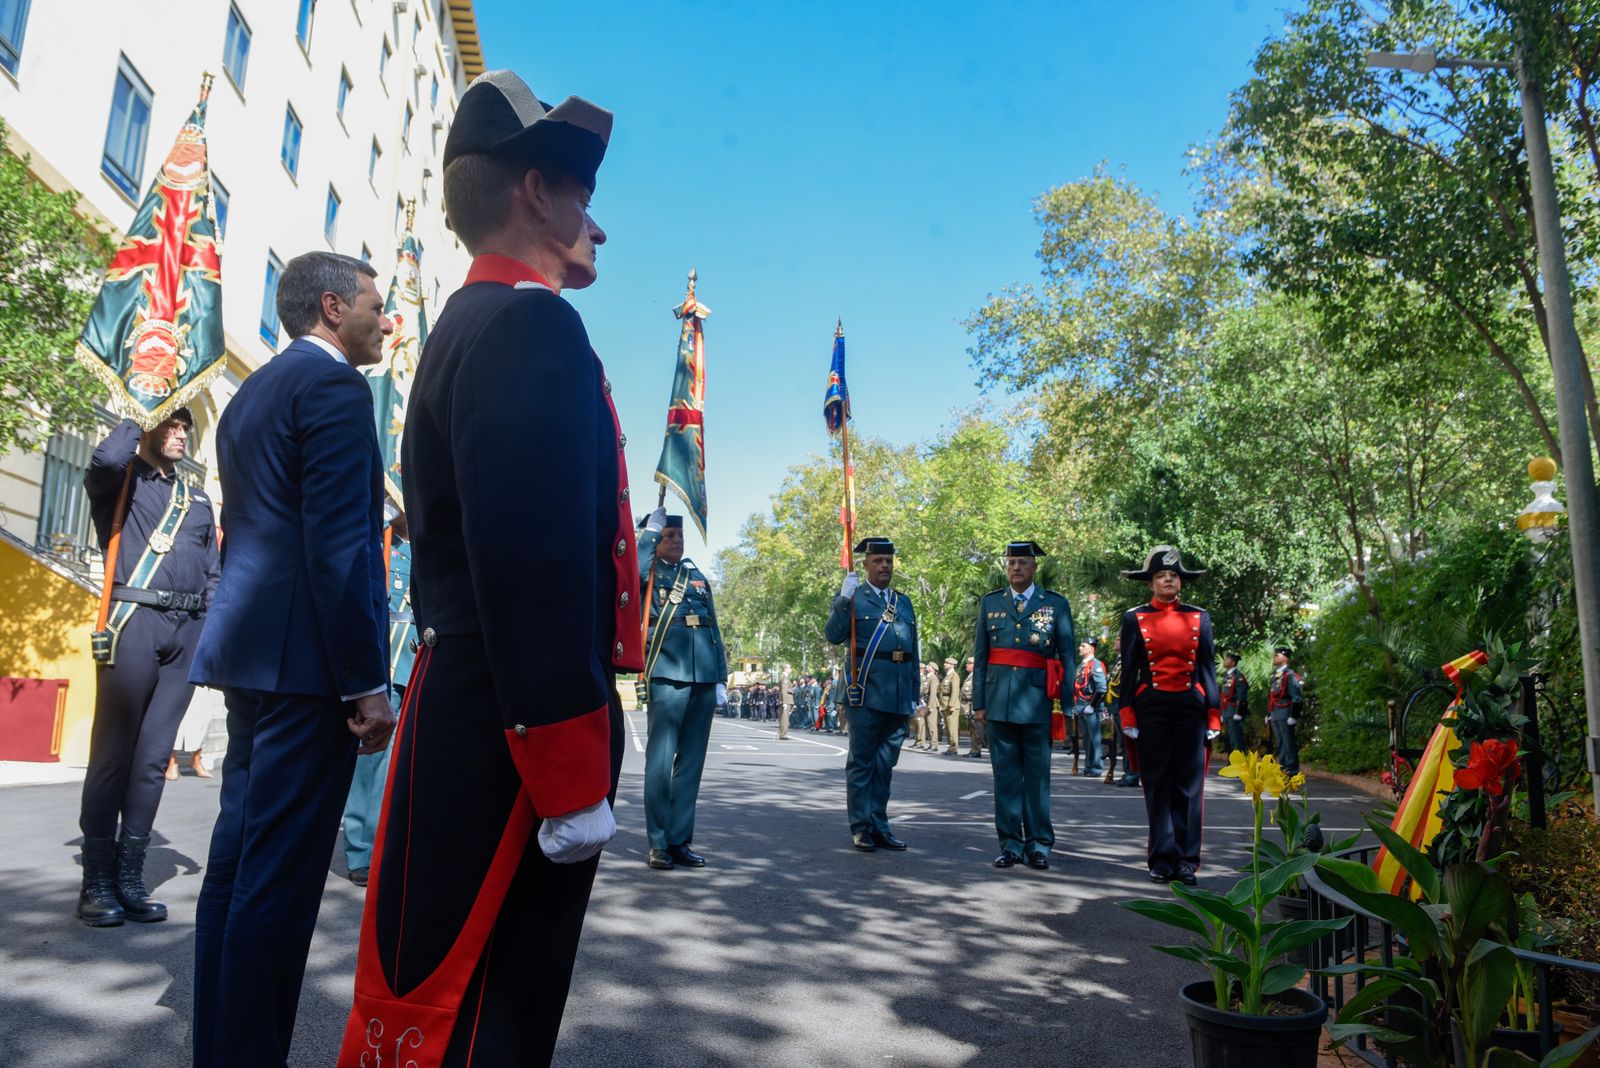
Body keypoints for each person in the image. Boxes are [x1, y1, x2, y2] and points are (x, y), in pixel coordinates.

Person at [335, 72, 640, 1068]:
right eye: (582, 196)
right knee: (492, 1006)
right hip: (513, 725)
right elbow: (537, 563)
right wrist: (566, 771)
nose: (598, 226)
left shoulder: (473, 324)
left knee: (444, 988)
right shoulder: (529, 326)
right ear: (538, 193)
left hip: (471, 700)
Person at [188, 251, 395, 1066]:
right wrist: (365, 682)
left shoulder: (253, 394)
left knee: (236, 868)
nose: (388, 320)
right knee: (275, 884)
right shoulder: (338, 389)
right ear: (333, 307)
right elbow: (341, 547)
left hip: (252, 658)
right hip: (310, 671)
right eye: (377, 306)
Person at [77, 409, 219, 928]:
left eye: (185, 425)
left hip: (184, 633)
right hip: (133, 620)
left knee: (154, 757)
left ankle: (129, 875)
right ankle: (96, 880)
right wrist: (145, 407)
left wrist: (206, 637)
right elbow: (106, 455)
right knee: (114, 752)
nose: (180, 432)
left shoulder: (197, 497)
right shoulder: (121, 481)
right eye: (171, 423)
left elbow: (213, 573)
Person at [1116, 545, 1220, 886]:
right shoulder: (1134, 618)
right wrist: (1127, 713)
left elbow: (1207, 669)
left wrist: (1214, 713)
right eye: (1161, 576)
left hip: (1190, 706)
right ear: (1151, 584)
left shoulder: (1199, 617)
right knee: (1157, 783)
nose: (1167, 581)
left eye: (1173, 576)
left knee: (1190, 787)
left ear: (1181, 582)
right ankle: (1162, 858)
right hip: (1152, 706)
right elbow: (1129, 671)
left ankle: (1187, 861)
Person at [973, 541, 1076, 870]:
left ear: (1034, 568)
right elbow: (981, 657)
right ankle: (1010, 845)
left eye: (1022, 563)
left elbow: (1068, 656)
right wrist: (978, 703)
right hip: (998, 701)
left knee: (1036, 778)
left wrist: (1068, 701)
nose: (1016, 567)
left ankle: (1039, 845)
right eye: (1011, 562)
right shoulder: (991, 604)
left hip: (1037, 702)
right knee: (1005, 778)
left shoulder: (1055, 604)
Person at [638, 509, 727, 870]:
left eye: (679, 535)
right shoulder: (649, 573)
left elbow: (713, 628)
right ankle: (658, 843)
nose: (676, 540)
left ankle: (679, 840)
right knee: (660, 763)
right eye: (668, 535)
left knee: (691, 764)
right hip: (668, 673)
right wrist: (648, 533)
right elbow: (632, 569)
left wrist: (720, 675)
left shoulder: (696, 576)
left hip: (703, 676)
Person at [825, 537, 921, 852]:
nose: (884, 566)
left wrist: (914, 694)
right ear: (866, 564)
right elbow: (834, 635)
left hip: (897, 693)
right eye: (878, 561)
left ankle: (880, 824)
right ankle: (861, 827)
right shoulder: (854, 597)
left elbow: (913, 654)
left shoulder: (903, 602)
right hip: (864, 692)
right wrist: (842, 599)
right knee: (862, 762)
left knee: (885, 764)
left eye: (888, 561)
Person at [341, 512, 417, 887]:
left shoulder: (426, 547)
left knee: (404, 767)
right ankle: (363, 850)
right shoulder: (385, 545)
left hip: (415, 663)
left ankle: (393, 847)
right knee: (371, 763)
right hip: (385, 660)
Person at [1105, 635, 1140, 787]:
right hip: (1117, 706)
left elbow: (1132, 685)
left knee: (1129, 743)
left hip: (1126, 707)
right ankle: (1128, 772)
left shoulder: (1130, 660)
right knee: (1123, 743)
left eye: (1118, 639)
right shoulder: (1120, 661)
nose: (1115, 641)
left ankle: (1132, 774)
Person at [1072, 638, 1108, 776]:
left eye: (1083, 645)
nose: (1080, 648)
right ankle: (1089, 765)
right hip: (1081, 705)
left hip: (1090, 706)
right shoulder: (1082, 665)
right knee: (1087, 739)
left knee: (1095, 738)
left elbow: (1101, 688)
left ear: (1091, 648)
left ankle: (1097, 767)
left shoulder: (1096, 665)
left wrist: (1092, 706)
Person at [1268, 646, 1303, 774]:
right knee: (1280, 743)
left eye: (1277, 655)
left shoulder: (1290, 675)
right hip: (1276, 713)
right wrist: (1270, 713)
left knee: (1288, 742)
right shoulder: (1276, 675)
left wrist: (1293, 716)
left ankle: (1292, 769)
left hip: (1286, 713)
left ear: (1285, 658)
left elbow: (1297, 697)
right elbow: (1272, 696)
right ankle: (1282, 766)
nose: (1274, 657)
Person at [1221, 652, 1250, 757]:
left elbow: (1242, 696)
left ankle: (1240, 764)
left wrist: (1239, 712)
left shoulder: (1238, 676)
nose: (1224, 661)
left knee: (1237, 740)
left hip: (1234, 711)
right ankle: (1232, 763)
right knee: (1229, 740)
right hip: (1227, 711)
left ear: (1233, 662)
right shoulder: (1227, 676)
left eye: (1227, 659)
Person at [939, 657, 961, 755]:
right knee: (948, 727)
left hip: (951, 705)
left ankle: (953, 748)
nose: (944, 664)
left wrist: (951, 704)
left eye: (946, 663)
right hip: (945, 704)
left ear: (952, 665)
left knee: (952, 727)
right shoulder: (947, 676)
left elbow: (955, 691)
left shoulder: (954, 676)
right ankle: (951, 747)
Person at [962, 656, 983, 758]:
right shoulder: (970, 676)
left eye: (969, 663)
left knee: (976, 729)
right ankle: (973, 749)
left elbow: (977, 692)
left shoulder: (976, 676)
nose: (967, 665)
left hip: (973, 706)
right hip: (968, 706)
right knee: (972, 729)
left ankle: (976, 750)